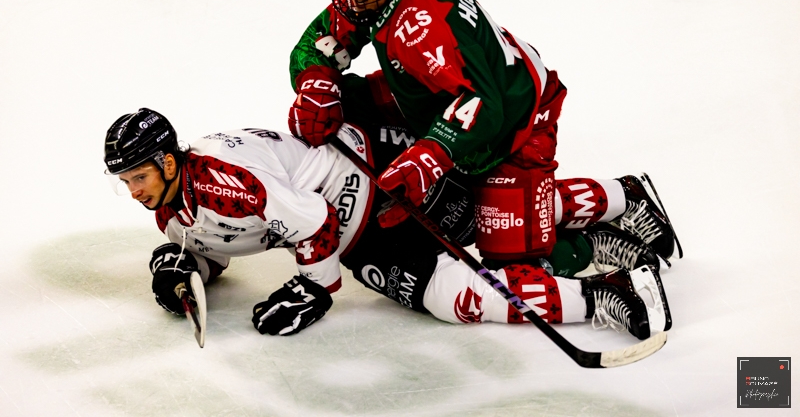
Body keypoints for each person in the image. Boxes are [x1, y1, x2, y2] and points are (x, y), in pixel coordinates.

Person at [286, 0, 682, 273]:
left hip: (515, 119)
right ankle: (513, 201)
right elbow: (318, 41)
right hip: (437, 93)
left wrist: (427, 158)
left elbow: (481, 104)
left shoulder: (424, 31)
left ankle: (614, 208)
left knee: (513, 265)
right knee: (342, 99)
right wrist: (315, 83)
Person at [103, 107, 671, 340]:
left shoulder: (226, 184)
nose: (133, 191)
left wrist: (315, 288)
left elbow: (315, 222)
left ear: (169, 162)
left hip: (371, 174)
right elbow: (218, 242)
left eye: (138, 176)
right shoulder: (173, 205)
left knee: (485, 230)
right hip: (354, 213)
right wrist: (186, 271)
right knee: (468, 260)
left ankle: (618, 236)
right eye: (124, 181)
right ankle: (606, 244)